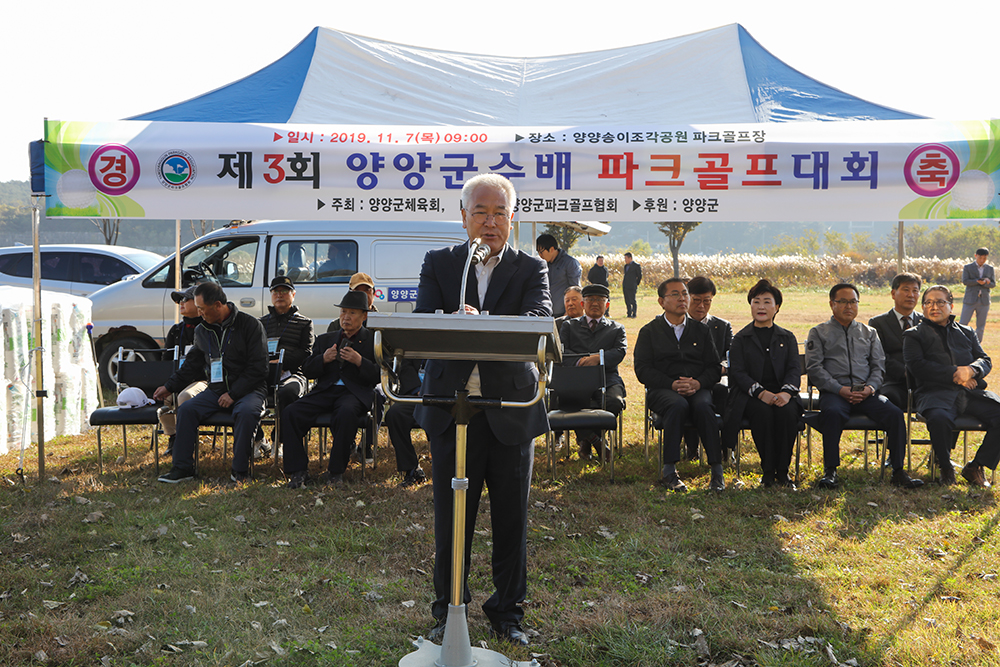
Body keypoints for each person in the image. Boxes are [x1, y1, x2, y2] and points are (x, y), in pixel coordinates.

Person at [414, 173, 550, 647]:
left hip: (510, 407)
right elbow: (420, 323)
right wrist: (449, 322)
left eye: (499, 213)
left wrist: (486, 323)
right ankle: (449, 608)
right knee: (452, 517)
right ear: (464, 216)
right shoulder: (440, 263)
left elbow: (539, 321)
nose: (490, 223)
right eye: (481, 213)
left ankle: (508, 612)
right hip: (453, 409)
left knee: (512, 519)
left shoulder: (531, 268)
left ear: (512, 218)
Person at [805, 283, 923, 489]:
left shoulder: (869, 332)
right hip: (835, 392)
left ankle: (898, 471)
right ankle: (830, 471)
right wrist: (839, 389)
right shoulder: (819, 332)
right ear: (832, 304)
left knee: (894, 414)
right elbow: (815, 368)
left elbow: (879, 366)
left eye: (853, 302)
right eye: (842, 302)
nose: (848, 306)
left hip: (866, 392)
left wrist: (870, 388)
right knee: (832, 413)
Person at [154, 282, 269, 484]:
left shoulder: (250, 325)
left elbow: (259, 369)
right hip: (216, 390)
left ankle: (240, 471)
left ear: (218, 305)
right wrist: (169, 386)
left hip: (249, 390)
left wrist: (233, 394)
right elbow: (191, 364)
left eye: (202, 309)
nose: (199, 313)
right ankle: (182, 468)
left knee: (246, 412)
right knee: (187, 409)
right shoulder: (202, 330)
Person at [634, 278, 725, 492]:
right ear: (661, 301)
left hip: (697, 387)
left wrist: (697, 382)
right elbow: (642, 369)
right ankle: (669, 471)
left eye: (684, 294)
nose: (682, 298)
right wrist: (671, 384)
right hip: (663, 390)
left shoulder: (701, 331)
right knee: (677, 405)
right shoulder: (649, 331)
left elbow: (714, 367)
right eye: (675, 294)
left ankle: (717, 471)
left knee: (704, 407)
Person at [903, 285, 1000, 487]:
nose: (934, 306)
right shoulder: (913, 335)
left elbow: (985, 359)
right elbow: (917, 367)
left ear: (951, 305)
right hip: (934, 394)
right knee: (939, 418)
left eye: (940, 302)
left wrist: (972, 371)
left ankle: (975, 466)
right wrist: (957, 373)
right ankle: (945, 467)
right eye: (928, 302)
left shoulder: (966, 331)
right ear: (923, 307)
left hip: (970, 393)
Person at [281, 290, 379, 488]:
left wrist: (360, 362)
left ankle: (335, 472)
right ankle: (298, 471)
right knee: (291, 412)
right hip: (325, 390)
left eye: (352, 313)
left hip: (354, 393)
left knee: (346, 412)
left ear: (364, 316)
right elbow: (307, 370)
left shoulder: (373, 340)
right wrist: (323, 360)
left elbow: (379, 375)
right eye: (343, 312)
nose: (346, 317)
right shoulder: (326, 339)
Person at [722, 280, 802, 488]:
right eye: (756, 302)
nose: (761, 307)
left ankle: (783, 472)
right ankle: (768, 472)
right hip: (750, 396)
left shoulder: (787, 337)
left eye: (767, 302)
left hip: (783, 394)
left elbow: (794, 369)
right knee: (763, 413)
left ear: (777, 308)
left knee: (787, 414)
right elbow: (737, 372)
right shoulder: (741, 338)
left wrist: (786, 393)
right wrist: (760, 393)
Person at [558, 283, 627, 460]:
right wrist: (581, 361)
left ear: (607, 305)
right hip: (577, 377)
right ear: (583, 304)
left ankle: (586, 442)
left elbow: (620, 351)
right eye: (590, 300)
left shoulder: (616, 328)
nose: (595, 304)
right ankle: (597, 442)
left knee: (614, 402)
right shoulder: (570, 326)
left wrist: (598, 358)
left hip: (607, 377)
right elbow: (562, 352)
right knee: (570, 403)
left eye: (600, 300)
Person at [256, 276, 314, 455]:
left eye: (284, 291)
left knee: (288, 392)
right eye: (275, 291)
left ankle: (278, 441)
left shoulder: (304, 323)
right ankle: (257, 439)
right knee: (245, 390)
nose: (279, 295)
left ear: (293, 294)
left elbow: (306, 352)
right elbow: (252, 350)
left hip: (293, 373)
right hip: (264, 373)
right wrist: (269, 364)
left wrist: (282, 363)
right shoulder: (260, 323)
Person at [684, 276, 733, 461]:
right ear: (686, 298)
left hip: (716, 378)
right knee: (688, 394)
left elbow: (730, 358)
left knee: (724, 391)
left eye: (707, 301)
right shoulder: (678, 326)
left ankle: (725, 446)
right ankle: (692, 446)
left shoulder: (722, 326)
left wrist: (720, 369)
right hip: (688, 380)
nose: (701, 306)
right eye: (696, 301)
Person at [157, 285, 207, 457]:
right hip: (178, 379)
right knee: (164, 398)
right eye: (179, 301)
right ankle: (173, 437)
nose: (181, 303)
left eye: (185, 299)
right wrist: (168, 384)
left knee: (184, 397)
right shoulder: (176, 330)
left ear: (199, 302)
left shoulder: (208, 328)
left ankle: (186, 441)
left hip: (203, 380)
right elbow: (166, 361)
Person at [868, 273, 922, 410]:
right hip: (893, 382)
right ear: (893, 293)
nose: (911, 295)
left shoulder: (925, 322)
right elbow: (879, 356)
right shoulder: (878, 323)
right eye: (906, 290)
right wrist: (905, 373)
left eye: (915, 291)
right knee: (888, 401)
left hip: (923, 382)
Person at [383, 357, 428, 487]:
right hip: (414, 395)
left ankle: (446, 467)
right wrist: (418, 390)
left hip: (441, 395)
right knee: (395, 415)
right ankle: (411, 469)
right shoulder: (413, 339)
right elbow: (404, 364)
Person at [536, 233, 581, 318]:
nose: (540, 255)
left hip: (563, 314)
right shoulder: (543, 264)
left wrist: (568, 313)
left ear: (552, 249)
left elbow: (576, 289)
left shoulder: (570, 263)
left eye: (541, 252)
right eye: (538, 252)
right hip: (546, 313)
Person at [959, 248, 995, 342]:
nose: (982, 260)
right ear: (975, 256)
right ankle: (960, 343)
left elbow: (993, 284)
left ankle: (977, 346)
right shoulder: (968, 267)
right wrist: (977, 281)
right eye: (980, 258)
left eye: (985, 258)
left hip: (984, 301)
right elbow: (965, 281)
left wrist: (987, 282)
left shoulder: (990, 269)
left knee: (981, 326)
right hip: (970, 300)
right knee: (963, 323)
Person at [622, 252, 642, 318]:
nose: (625, 260)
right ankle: (629, 313)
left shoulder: (636, 266)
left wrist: (636, 283)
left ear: (630, 258)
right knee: (627, 300)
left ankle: (634, 313)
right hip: (625, 285)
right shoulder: (625, 266)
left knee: (632, 300)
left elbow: (639, 276)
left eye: (626, 258)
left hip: (632, 286)